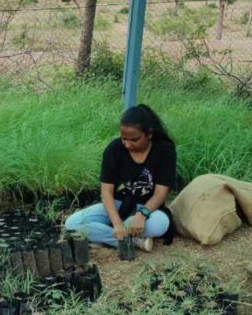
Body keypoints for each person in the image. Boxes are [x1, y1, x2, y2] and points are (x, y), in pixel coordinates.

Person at [65, 104, 176, 252]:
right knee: (72, 223)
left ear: (149, 134)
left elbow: (160, 193)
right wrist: (116, 223)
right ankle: (132, 241)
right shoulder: (114, 150)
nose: (127, 144)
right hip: (118, 204)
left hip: (148, 208)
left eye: (134, 140)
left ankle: (111, 235)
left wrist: (142, 215)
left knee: (160, 224)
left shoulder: (164, 149)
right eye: (124, 139)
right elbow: (106, 192)